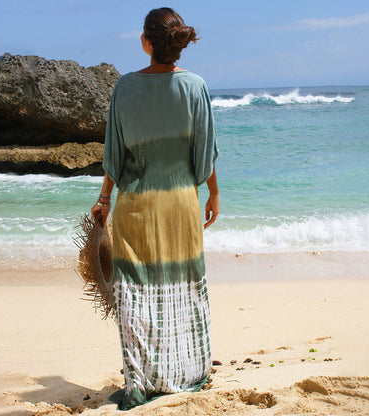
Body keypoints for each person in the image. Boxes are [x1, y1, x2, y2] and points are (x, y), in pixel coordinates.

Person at [91, 7, 219, 410]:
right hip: (181, 203)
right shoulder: (196, 86)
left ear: (146, 42)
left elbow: (114, 155)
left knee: (136, 295)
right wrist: (213, 194)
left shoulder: (124, 88)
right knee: (183, 290)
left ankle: (140, 382)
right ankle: (187, 373)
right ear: (176, 43)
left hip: (136, 207)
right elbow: (204, 154)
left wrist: (103, 199)